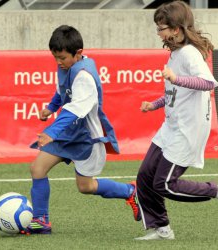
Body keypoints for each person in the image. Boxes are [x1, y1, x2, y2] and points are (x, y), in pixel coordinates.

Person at [134, 0, 218, 240]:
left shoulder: (189, 54)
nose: (158, 32)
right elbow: (175, 93)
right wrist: (155, 104)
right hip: (171, 127)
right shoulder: (175, 54)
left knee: (165, 184)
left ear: (176, 29)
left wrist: (176, 79)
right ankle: (161, 229)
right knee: (145, 177)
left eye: (161, 27)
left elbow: (207, 83)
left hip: (187, 130)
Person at [22, 25, 139, 235]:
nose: (58, 62)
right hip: (68, 133)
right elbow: (62, 91)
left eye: (62, 58)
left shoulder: (84, 76)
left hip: (86, 138)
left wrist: (51, 132)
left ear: (78, 54)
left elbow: (75, 110)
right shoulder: (67, 67)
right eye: (55, 57)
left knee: (86, 187)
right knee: (37, 169)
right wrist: (51, 107)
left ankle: (130, 191)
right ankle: (41, 220)